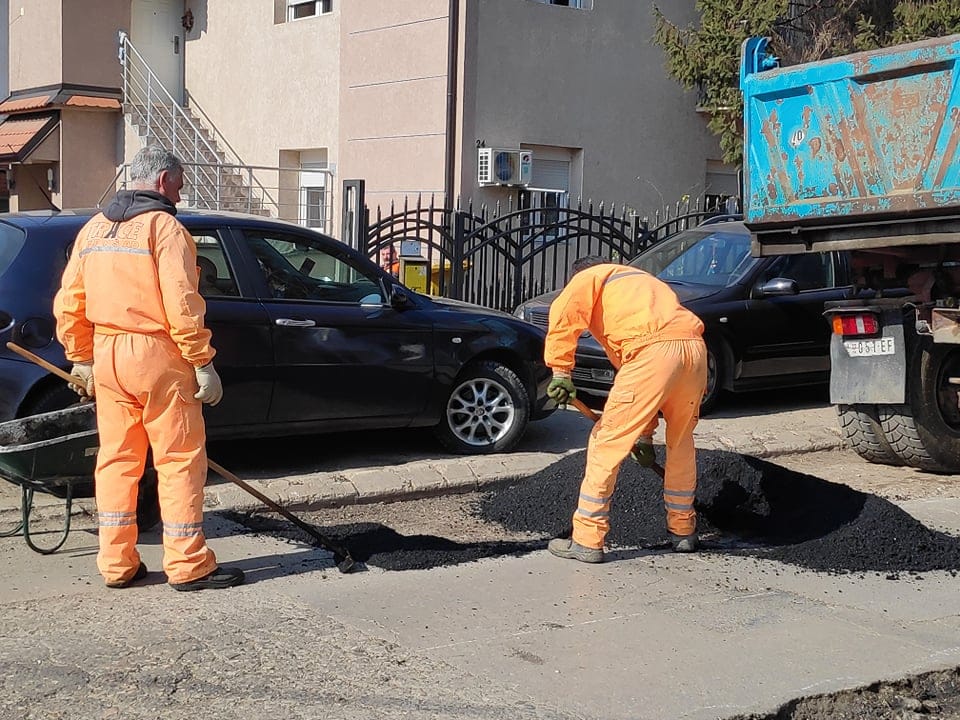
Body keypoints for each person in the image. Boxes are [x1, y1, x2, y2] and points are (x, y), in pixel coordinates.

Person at [53, 145, 245, 592]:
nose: (179, 193)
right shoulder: (166, 229)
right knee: (178, 460)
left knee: (118, 460)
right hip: (157, 354)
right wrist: (202, 362)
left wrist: (80, 356)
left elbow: (70, 299)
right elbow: (182, 302)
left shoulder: (95, 229)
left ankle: (117, 563)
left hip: (107, 355)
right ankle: (188, 564)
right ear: (162, 180)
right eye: (178, 184)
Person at [544, 255, 707, 563]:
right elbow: (645, 387)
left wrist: (561, 371)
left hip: (652, 353)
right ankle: (683, 531)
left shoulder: (590, 277)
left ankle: (587, 539)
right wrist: (645, 438)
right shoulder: (641, 283)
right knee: (682, 441)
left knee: (606, 441)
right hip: (694, 350)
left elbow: (564, 317)